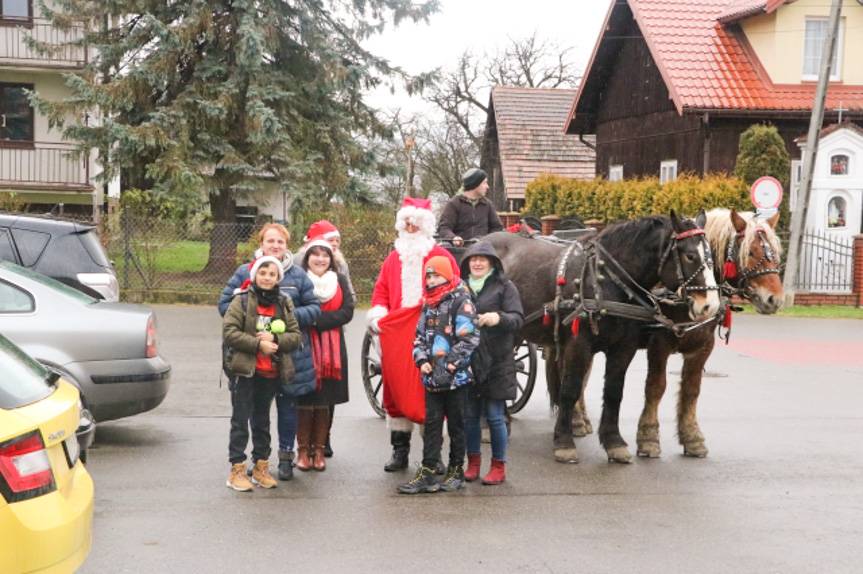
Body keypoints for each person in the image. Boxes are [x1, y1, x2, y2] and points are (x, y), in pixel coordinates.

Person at [218, 223, 321, 481]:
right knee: (249, 414)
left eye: (281, 242)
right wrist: (251, 326)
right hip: (249, 360)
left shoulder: (297, 276)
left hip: (285, 357)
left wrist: (284, 319)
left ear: (287, 246)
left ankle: (283, 457)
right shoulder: (244, 272)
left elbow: (314, 308)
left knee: (284, 409)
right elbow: (224, 306)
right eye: (270, 241)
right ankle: (246, 465)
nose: (275, 246)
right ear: (261, 243)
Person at [367, 197, 459, 472]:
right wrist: (379, 314)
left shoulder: (442, 258)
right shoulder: (393, 259)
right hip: (398, 335)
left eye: (415, 222)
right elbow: (381, 290)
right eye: (406, 221)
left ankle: (433, 454)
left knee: (430, 390)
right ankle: (400, 451)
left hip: (431, 334)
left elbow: (454, 289)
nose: (410, 226)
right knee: (394, 389)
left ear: (425, 225)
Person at [397, 256, 479, 494]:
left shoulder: (461, 301)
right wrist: (421, 360)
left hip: (456, 379)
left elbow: (469, 338)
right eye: (429, 276)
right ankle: (428, 472)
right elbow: (419, 337)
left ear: (448, 276)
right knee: (432, 425)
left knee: (457, 425)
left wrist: (450, 365)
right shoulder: (428, 304)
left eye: (436, 276)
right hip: (432, 378)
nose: (432, 280)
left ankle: (456, 471)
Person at [223, 256, 302, 491]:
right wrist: (258, 345)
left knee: (262, 422)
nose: (267, 277)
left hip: (269, 373)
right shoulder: (242, 300)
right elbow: (230, 331)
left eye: (272, 274)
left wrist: (276, 339)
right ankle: (237, 469)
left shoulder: (283, 302)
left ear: (278, 278)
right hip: (244, 371)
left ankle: (260, 467)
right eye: (263, 273)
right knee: (240, 421)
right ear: (254, 275)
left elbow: (296, 335)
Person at [459, 242, 523, 485]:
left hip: (497, 360)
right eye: (473, 259)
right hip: (468, 359)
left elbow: (518, 318)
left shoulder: (505, 287)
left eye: (482, 259)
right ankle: (472, 463)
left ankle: (498, 466)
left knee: (495, 416)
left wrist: (498, 317)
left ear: (492, 263)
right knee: (470, 416)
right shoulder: (460, 287)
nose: (477, 263)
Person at [295, 239, 354, 471]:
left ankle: (318, 450)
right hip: (306, 345)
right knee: (305, 400)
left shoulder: (339, 280)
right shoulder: (300, 280)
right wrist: (314, 321)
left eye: (325, 255)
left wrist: (318, 321)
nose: (320, 259)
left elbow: (348, 310)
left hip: (333, 351)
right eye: (315, 255)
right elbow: (294, 308)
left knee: (324, 401)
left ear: (331, 259)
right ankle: (302, 451)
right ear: (307, 257)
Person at [437, 168, 503, 247]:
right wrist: (453, 238)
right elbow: (444, 228)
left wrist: (486, 240)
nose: (487, 187)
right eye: (484, 183)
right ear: (475, 184)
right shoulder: (454, 204)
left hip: (483, 250)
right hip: (459, 250)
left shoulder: (487, 204)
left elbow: (497, 228)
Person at [296, 219, 356, 302]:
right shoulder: (298, 260)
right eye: (331, 240)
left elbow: (350, 292)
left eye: (337, 240)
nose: (335, 243)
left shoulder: (341, 263)